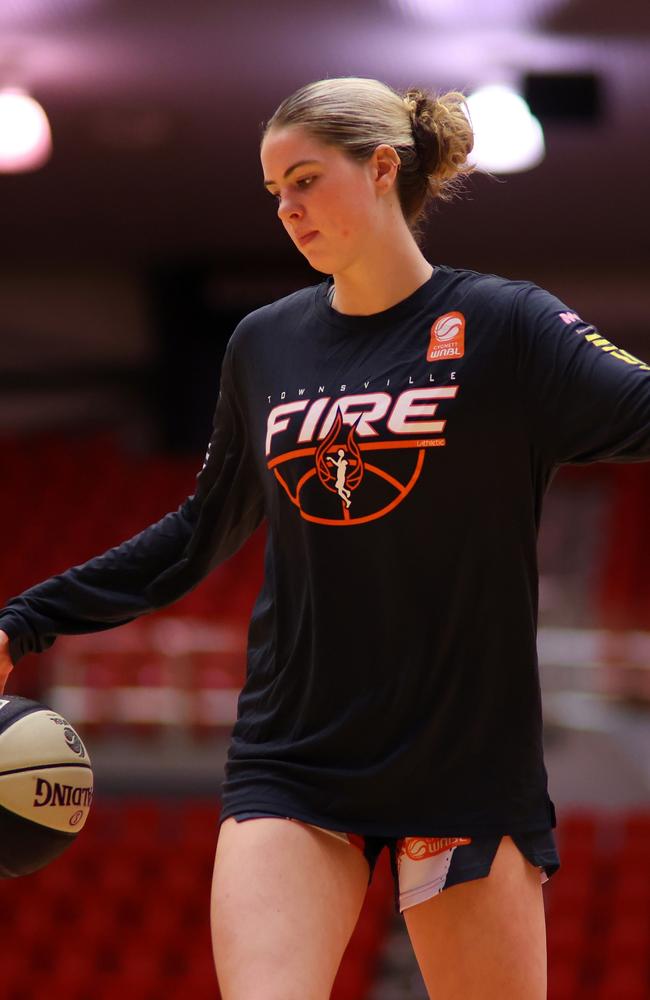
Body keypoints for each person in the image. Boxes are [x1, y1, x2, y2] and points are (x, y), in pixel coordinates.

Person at [1, 75, 649, 999]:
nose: (287, 209)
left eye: (305, 179)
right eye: (274, 193)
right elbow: (196, 534)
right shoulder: (265, 344)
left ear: (383, 168)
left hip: (463, 765)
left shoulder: (505, 325)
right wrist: (25, 621)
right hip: (296, 758)